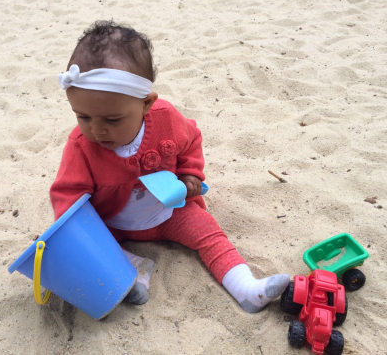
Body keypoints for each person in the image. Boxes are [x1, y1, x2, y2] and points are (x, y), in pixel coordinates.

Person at [50, 20, 289, 313]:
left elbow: (191, 142)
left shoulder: (166, 119)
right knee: (94, 251)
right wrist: (76, 237)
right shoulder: (81, 147)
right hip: (112, 223)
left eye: (112, 120)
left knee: (209, 231)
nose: (96, 130)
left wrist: (190, 174)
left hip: (169, 212)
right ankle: (128, 278)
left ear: (146, 103)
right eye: (82, 117)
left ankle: (247, 288)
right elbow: (67, 196)